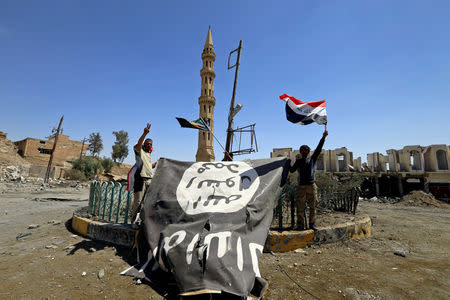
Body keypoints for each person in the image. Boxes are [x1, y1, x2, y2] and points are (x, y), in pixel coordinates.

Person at [290, 129, 328, 230]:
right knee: (300, 207)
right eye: (302, 150)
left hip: (311, 186)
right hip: (301, 186)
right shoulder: (298, 161)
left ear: (308, 151)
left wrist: (323, 137)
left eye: (306, 150)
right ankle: (300, 225)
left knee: (313, 206)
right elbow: (292, 170)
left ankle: (312, 224)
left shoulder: (312, 159)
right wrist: (285, 163)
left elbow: (319, 148)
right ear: (300, 152)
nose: (304, 151)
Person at [131, 123, 157, 222]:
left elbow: (149, 167)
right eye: (147, 143)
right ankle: (133, 221)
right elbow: (139, 143)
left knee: (147, 202)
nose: (149, 145)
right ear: (143, 144)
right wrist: (144, 133)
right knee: (138, 202)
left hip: (149, 180)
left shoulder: (148, 155)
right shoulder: (139, 151)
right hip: (140, 179)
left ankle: (142, 221)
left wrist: (157, 163)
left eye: (150, 144)